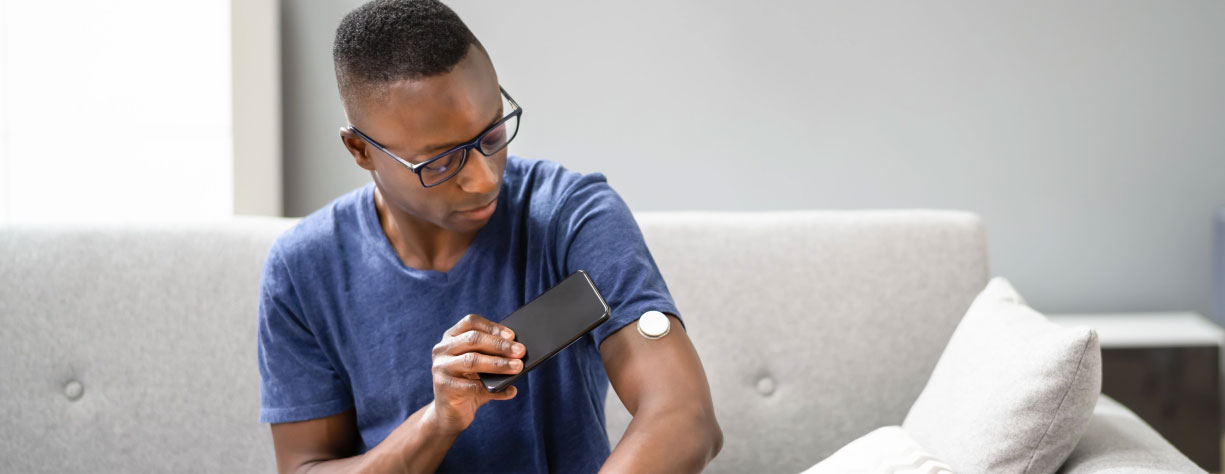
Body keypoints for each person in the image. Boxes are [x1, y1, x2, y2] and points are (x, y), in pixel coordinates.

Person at [256, 1, 723, 472]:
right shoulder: (303, 269)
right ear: (360, 150)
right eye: (440, 162)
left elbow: (686, 417)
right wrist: (437, 423)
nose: (483, 179)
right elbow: (305, 467)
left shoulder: (571, 215)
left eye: (493, 134)